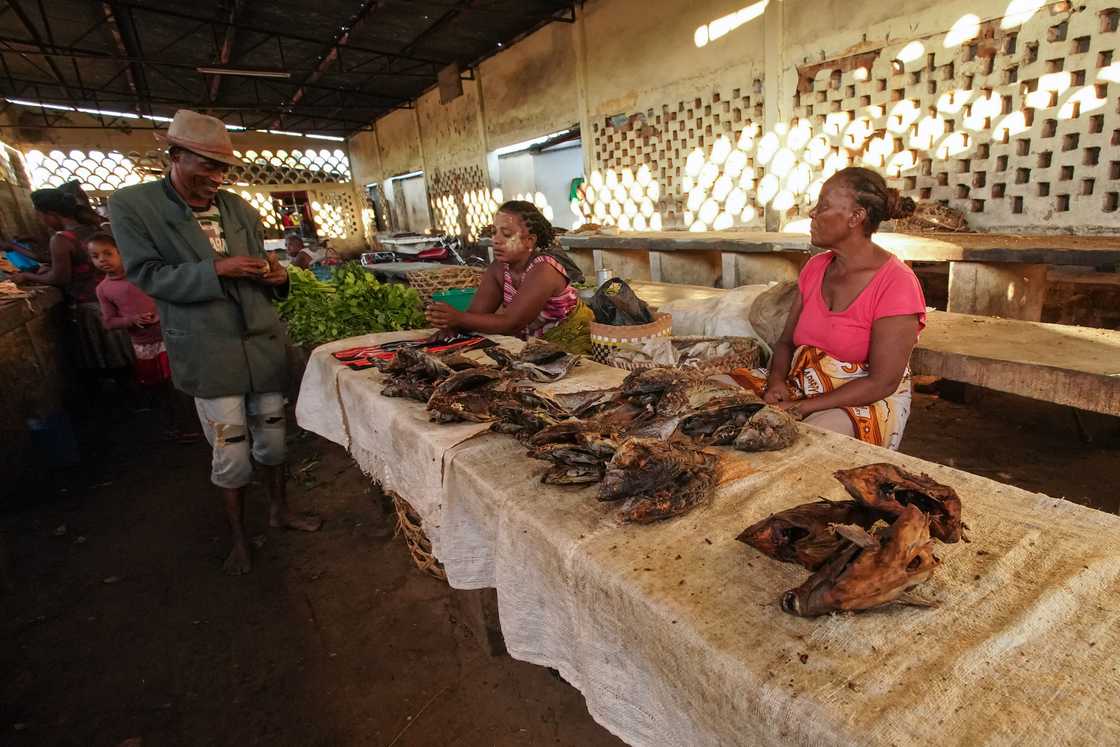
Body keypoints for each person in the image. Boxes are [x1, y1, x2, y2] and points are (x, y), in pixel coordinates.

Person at [110, 109, 320, 576]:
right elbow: (146, 274)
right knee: (230, 452)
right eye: (206, 165)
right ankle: (240, 538)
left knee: (272, 441)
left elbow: (266, 269)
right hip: (209, 352)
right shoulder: (134, 205)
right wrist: (216, 270)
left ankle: (279, 511)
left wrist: (278, 275)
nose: (217, 177)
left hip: (260, 345)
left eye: (223, 168)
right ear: (176, 155)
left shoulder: (238, 209)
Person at [731, 167, 927, 450]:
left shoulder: (897, 283)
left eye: (822, 206)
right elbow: (785, 342)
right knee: (712, 389)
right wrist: (776, 382)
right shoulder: (815, 267)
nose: (812, 213)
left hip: (864, 399)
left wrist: (802, 408)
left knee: (806, 441)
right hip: (803, 384)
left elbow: (882, 382)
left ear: (856, 217)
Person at [425, 200, 594, 353]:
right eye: (494, 232)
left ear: (529, 240)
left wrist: (458, 318)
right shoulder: (498, 269)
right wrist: (455, 328)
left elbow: (511, 323)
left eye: (506, 234)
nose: (496, 240)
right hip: (533, 346)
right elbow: (476, 314)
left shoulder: (544, 269)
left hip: (571, 343)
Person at [89, 232, 199, 441]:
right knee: (159, 388)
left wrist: (162, 314)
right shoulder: (103, 289)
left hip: (170, 337)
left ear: (121, 252)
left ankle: (193, 424)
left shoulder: (143, 276)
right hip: (143, 346)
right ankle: (174, 426)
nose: (102, 260)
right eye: (95, 256)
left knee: (180, 384)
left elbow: (169, 297)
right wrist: (131, 320)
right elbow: (108, 321)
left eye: (108, 253)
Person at [11, 188, 134, 374]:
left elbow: (60, 278)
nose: (41, 221)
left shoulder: (61, 239)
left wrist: (27, 276)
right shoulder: (94, 228)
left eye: (40, 216)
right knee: (129, 356)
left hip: (92, 307)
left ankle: (126, 397)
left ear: (51, 215)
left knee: (110, 363)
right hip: (118, 300)